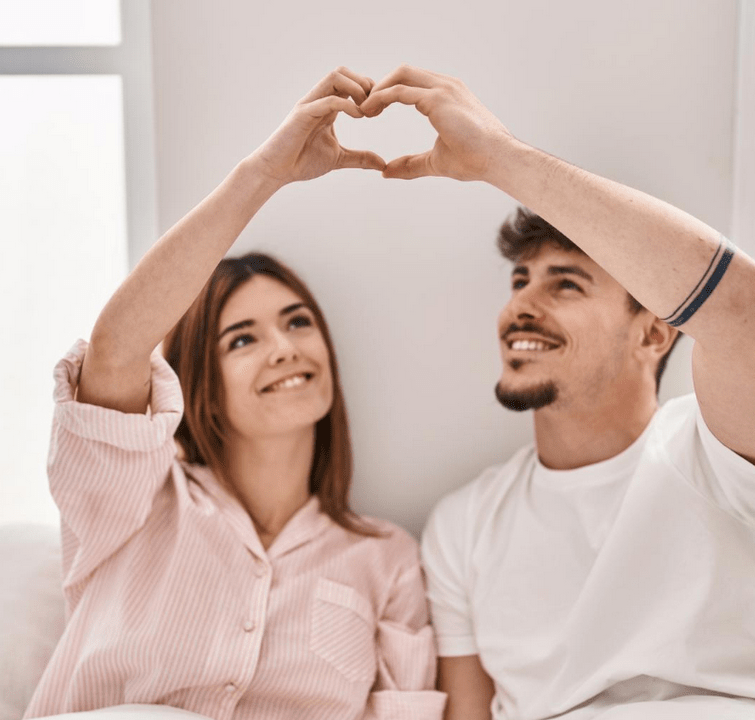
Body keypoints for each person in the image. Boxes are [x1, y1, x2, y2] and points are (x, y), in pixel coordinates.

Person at [357, 67, 755, 719]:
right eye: (519, 281)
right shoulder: (465, 526)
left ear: (654, 333)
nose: (521, 305)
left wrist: (501, 158)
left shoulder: (732, 457)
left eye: (566, 284)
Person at [23, 68, 445, 720]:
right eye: (242, 339)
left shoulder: (384, 559)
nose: (284, 347)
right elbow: (115, 351)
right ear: (202, 385)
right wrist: (263, 176)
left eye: (298, 323)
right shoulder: (136, 501)